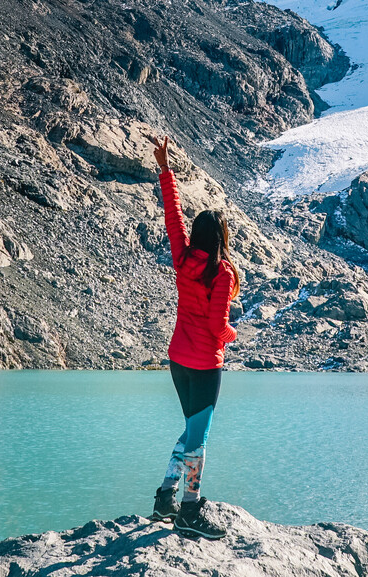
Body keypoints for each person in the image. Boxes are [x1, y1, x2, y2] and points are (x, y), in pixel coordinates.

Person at [145, 134, 238, 540]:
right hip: (204, 366)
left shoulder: (183, 258)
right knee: (199, 438)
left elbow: (173, 215)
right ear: (221, 240)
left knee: (190, 431)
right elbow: (219, 324)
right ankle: (189, 510)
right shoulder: (222, 274)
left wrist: (166, 169)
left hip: (178, 361)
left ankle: (165, 497)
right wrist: (232, 334)